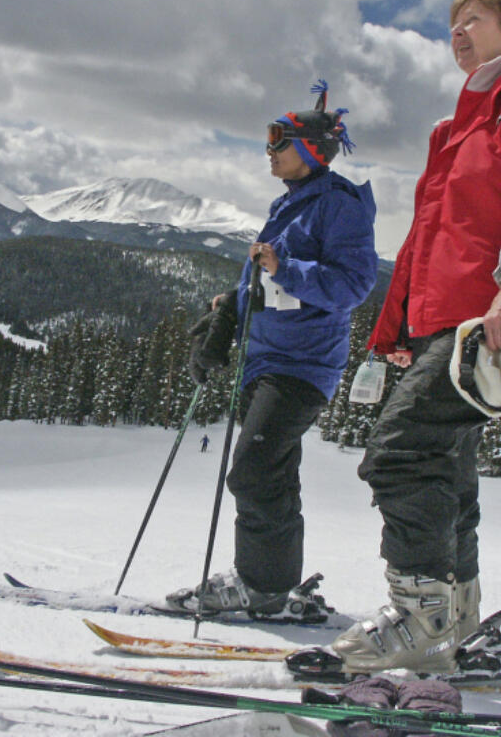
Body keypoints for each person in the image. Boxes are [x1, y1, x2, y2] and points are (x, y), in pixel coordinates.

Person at [330, 0, 501, 673]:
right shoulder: (455, 129)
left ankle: (420, 617)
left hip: (495, 317)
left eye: (472, 20)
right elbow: (426, 241)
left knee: (400, 451)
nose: (457, 33)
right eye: (452, 25)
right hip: (442, 325)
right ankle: (458, 613)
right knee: (447, 464)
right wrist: (396, 331)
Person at [169, 81, 378, 619]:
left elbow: (353, 285)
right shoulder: (288, 205)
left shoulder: (340, 206)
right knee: (273, 473)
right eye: (269, 142)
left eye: (279, 143)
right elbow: (264, 281)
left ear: (312, 149)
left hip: (303, 364)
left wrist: (284, 268)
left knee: (254, 471)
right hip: (266, 361)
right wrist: (230, 311)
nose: (269, 152)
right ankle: (275, 586)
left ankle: (261, 586)